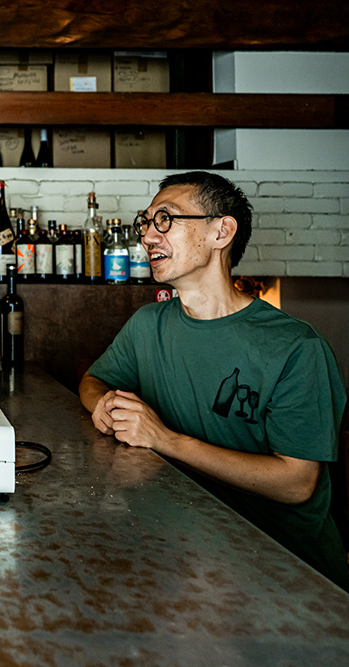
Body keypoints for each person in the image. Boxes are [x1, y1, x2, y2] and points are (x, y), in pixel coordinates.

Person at [79, 171, 349, 590]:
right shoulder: (148, 324)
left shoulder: (295, 347)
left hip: (287, 574)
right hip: (186, 546)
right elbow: (94, 379)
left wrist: (164, 439)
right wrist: (105, 404)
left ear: (222, 231)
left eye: (165, 220)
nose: (149, 236)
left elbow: (296, 483)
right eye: (145, 222)